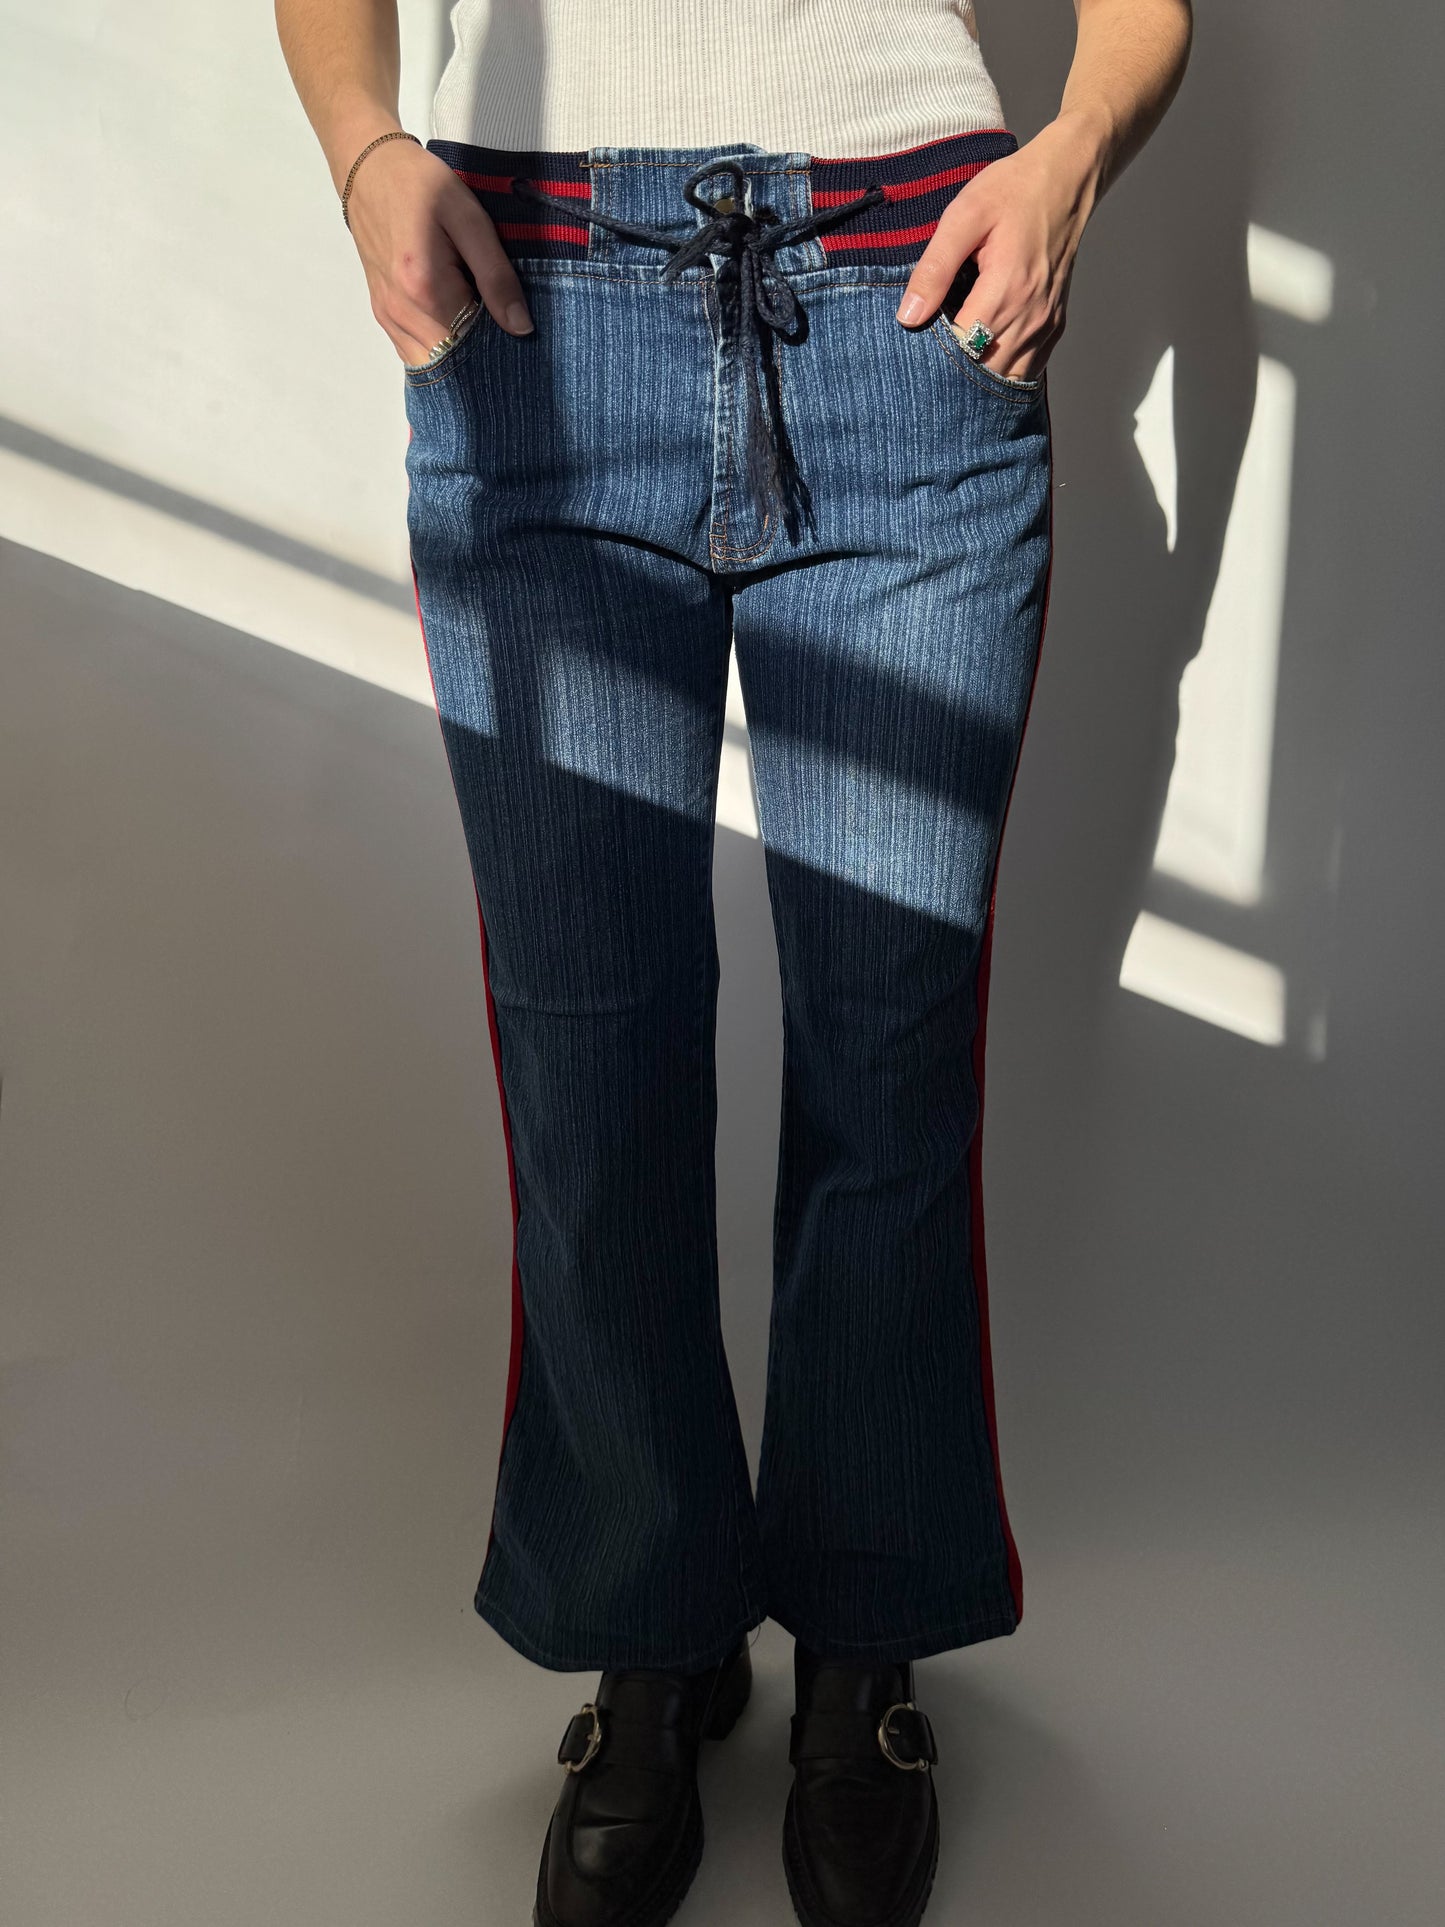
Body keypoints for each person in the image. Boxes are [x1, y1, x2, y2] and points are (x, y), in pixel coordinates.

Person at [275, 3, 1192, 1922]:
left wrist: (1065, 164)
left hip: (912, 312)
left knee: (889, 1049)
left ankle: (863, 1644)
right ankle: (651, 1630)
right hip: (531, 312)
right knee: (587, 1055)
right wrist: (366, 152)